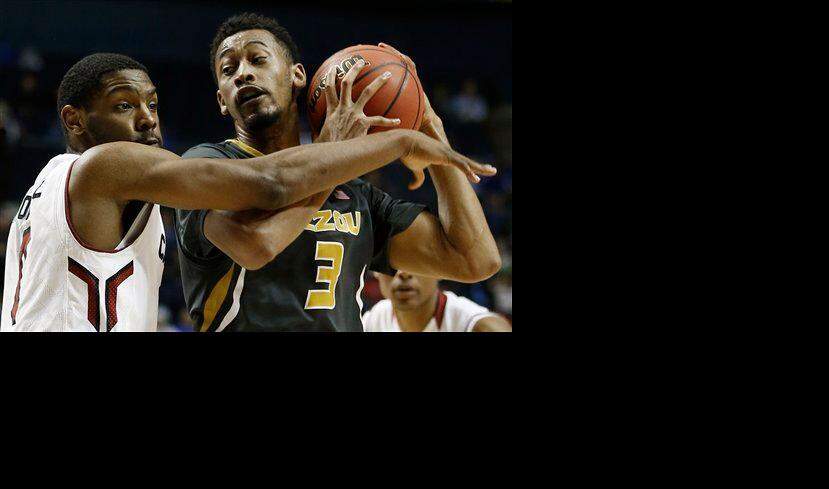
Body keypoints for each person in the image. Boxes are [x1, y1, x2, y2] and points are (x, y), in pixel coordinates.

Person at [1, 52, 492, 332]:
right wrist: (399, 140)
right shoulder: (124, 165)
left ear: (297, 76)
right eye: (125, 105)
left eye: (152, 102)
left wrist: (431, 128)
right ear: (74, 120)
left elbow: (475, 261)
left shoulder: (53, 184)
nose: (148, 118)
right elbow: (270, 190)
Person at [176, 13, 502, 331]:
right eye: (228, 69)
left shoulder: (356, 195)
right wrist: (331, 155)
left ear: (297, 76)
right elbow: (256, 245)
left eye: (258, 60)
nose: (242, 74)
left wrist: (428, 122)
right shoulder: (206, 165)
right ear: (222, 100)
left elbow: (475, 260)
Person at [363, 270, 511, 332]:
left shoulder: (477, 325)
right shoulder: (372, 320)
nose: (403, 273)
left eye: (417, 262)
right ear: (375, 270)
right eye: (392, 263)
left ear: (440, 270)